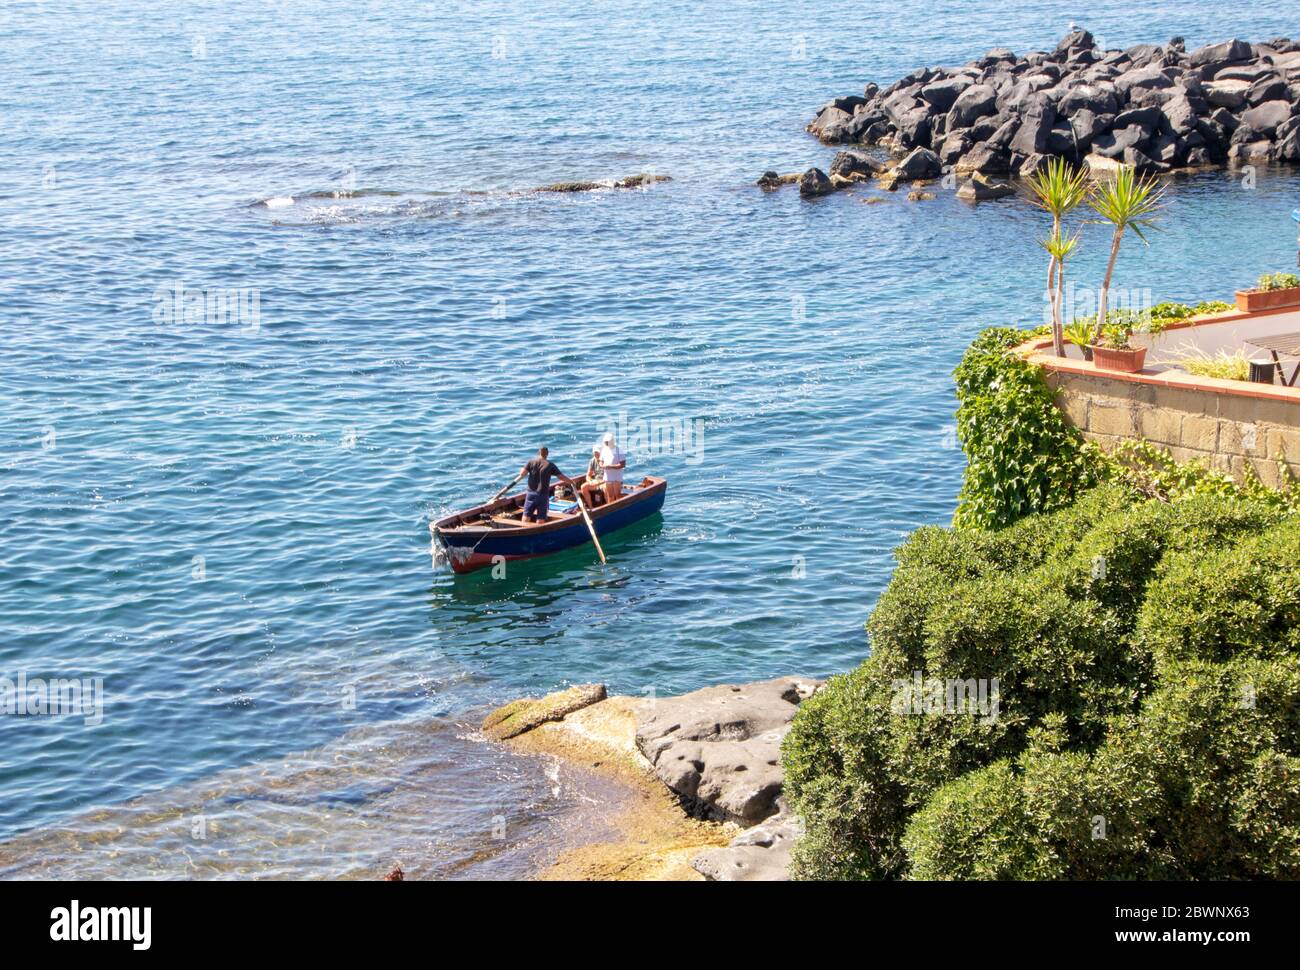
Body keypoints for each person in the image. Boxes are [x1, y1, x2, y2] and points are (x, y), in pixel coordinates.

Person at [517, 447, 575, 524]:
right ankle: (538, 531)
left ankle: (523, 529)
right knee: (541, 518)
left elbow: (522, 474)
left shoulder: (531, 462)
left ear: (538, 453)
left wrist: (522, 469)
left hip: (530, 494)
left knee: (526, 515)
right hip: (542, 495)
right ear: (547, 454)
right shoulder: (550, 465)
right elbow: (561, 477)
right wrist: (571, 482)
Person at [599, 432, 626, 502]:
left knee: (618, 495)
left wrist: (610, 466)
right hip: (608, 476)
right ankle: (610, 508)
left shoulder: (619, 450)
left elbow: (622, 464)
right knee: (610, 495)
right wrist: (602, 465)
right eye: (605, 442)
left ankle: (619, 509)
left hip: (616, 476)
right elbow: (601, 461)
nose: (606, 443)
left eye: (607, 442)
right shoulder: (604, 450)